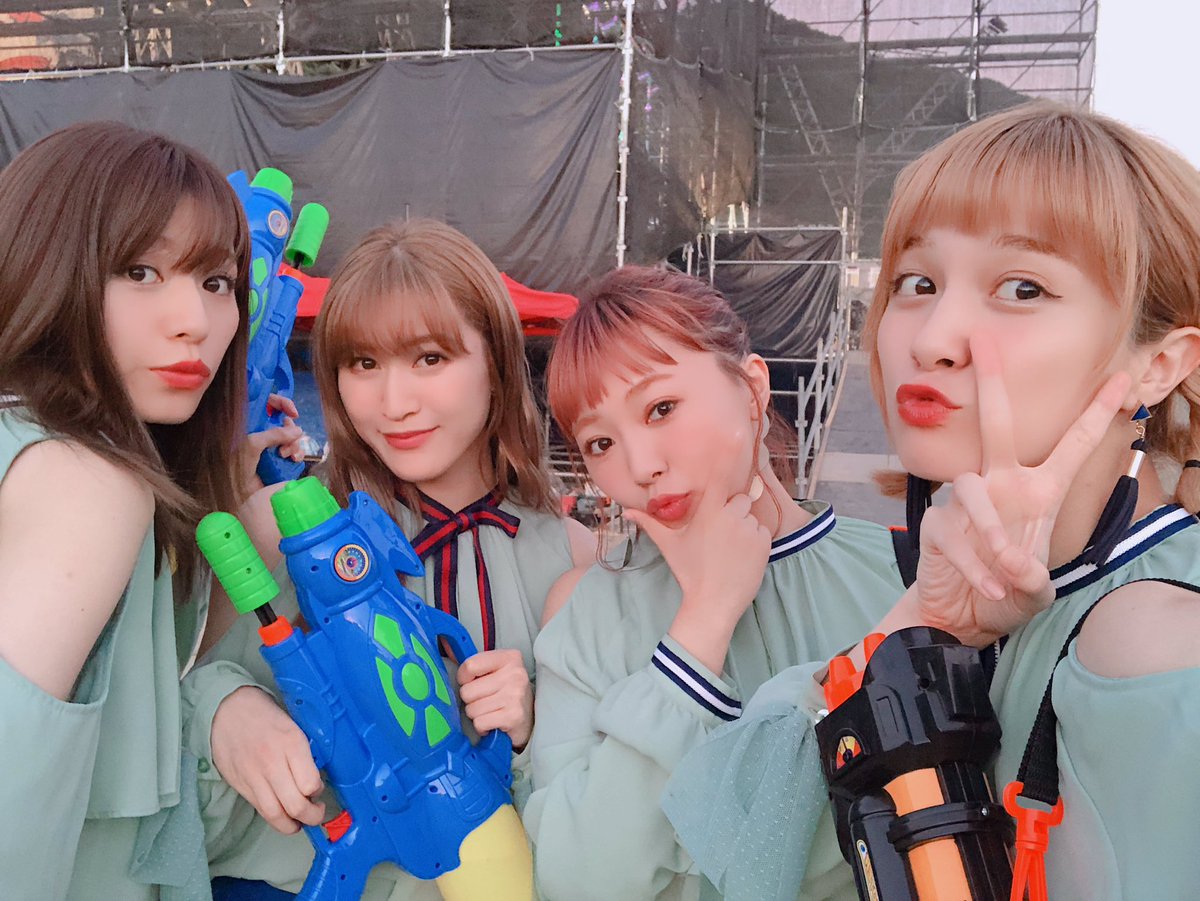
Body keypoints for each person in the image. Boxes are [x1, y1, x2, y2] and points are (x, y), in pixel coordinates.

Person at [663, 101, 1200, 900]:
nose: (931, 336)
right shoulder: (985, 591)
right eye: (917, 282)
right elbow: (740, 852)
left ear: (1159, 364)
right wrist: (922, 623)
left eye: (1021, 287)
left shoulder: (1152, 643)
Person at [189, 219, 596, 899]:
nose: (394, 403)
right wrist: (224, 709)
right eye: (363, 364)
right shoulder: (283, 525)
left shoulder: (571, 555)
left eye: (430, 359)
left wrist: (529, 733)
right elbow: (169, 690)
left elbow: (604, 805)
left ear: (496, 361)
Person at [522, 265, 910, 900]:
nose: (642, 465)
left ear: (752, 388)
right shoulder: (589, 616)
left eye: (661, 408)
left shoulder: (902, 570)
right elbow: (577, 881)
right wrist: (703, 622)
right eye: (600, 443)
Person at [0, 121, 302, 900]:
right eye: (140, 270)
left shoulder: (50, 451)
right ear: (42, 262)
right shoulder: (89, 484)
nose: (194, 320)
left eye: (217, 281)